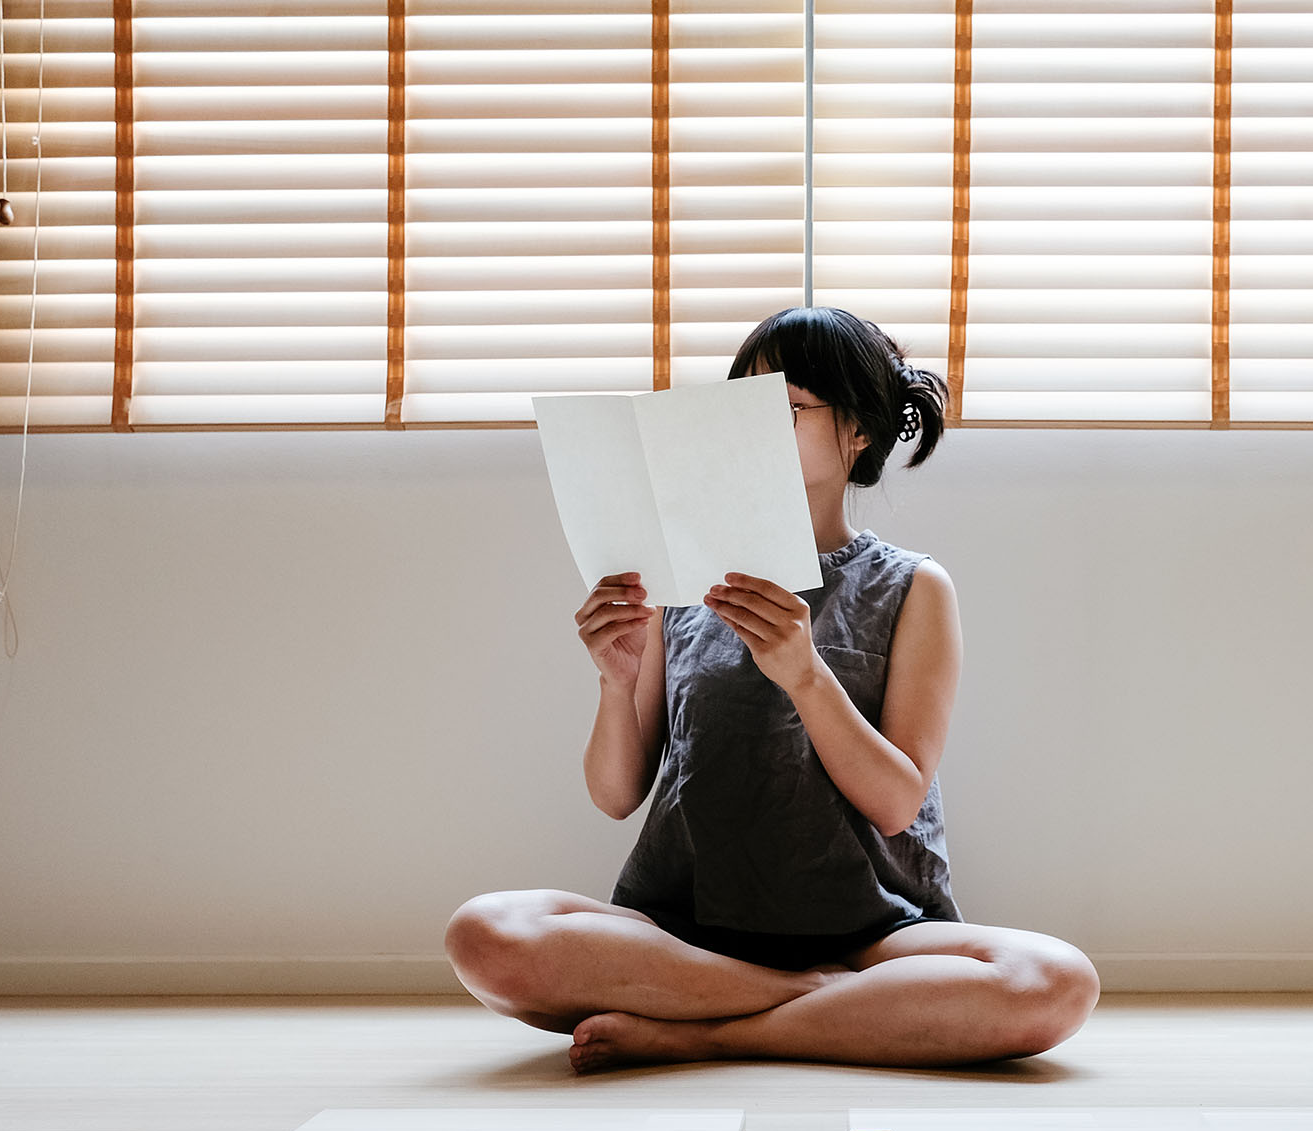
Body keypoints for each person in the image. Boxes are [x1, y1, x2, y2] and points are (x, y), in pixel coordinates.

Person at [446, 307, 1099, 1074]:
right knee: (484, 934)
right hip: (685, 931)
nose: (753, 430)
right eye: (741, 408)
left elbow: (895, 803)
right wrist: (613, 680)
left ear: (857, 431)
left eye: (784, 410)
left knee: (1056, 982)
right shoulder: (678, 584)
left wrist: (806, 675)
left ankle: (708, 1032)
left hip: (872, 935)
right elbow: (617, 793)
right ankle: (810, 1000)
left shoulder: (914, 587)